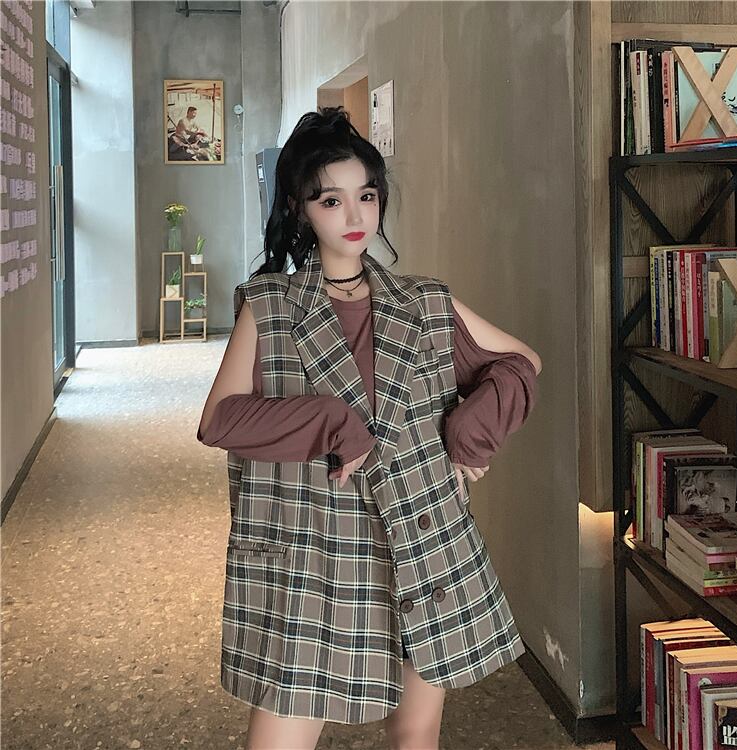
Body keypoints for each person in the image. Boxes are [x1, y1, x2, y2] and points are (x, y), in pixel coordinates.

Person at [197, 106, 542, 750]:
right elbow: (219, 419)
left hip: (423, 542)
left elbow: (521, 362)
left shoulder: (426, 301)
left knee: (416, 731)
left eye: (367, 195)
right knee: (280, 737)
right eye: (331, 200)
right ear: (300, 209)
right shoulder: (269, 306)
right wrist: (330, 419)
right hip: (313, 549)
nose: (354, 216)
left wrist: (470, 432)